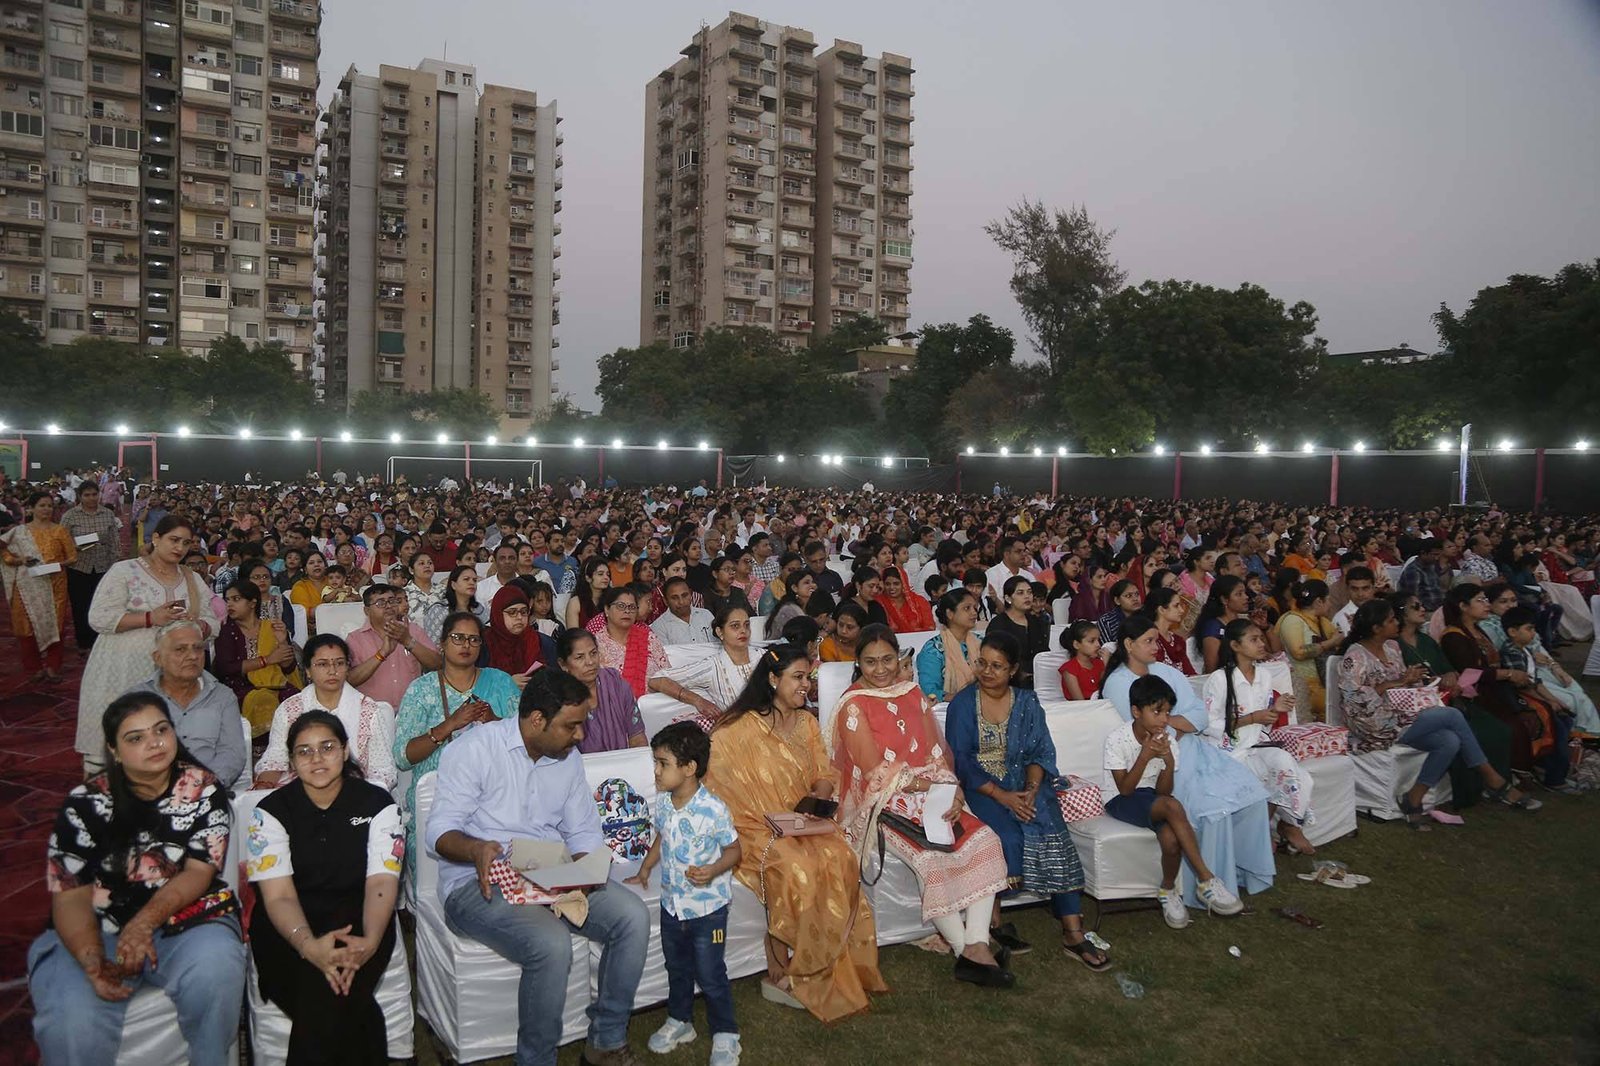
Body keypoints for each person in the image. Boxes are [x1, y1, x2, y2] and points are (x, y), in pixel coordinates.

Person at [428, 667, 649, 1066]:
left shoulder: (567, 759)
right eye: (571, 726)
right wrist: (476, 849)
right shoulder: (474, 750)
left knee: (631, 916)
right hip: (477, 881)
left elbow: (583, 833)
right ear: (536, 720)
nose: (580, 736)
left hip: (549, 869)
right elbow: (439, 832)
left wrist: (581, 871)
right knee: (551, 944)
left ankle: (605, 1041)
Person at [28, 692, 245, 1066]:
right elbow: (70, 896)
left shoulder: (202, 789)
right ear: (114, 751)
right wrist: (92, 960)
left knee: (216, 969)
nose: (154, 742)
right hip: (98, 928)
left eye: (161, 730)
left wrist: (144, 923)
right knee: (69, 1018)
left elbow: (199, 871)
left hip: (184, 921)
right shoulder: (85, 804)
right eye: (136, 737)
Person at [704, 643, 885, 1019]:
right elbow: (721, 793)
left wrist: (819, 794)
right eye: (798, 677)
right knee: (797, 866)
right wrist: (772, 821)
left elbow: (823, 772)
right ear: (773, 679)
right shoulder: (734, 730)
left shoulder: (807, 723)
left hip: (804, 822)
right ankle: (789, 967)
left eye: (809, 677)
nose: (806, 685)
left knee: (840, 856)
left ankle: (829, 961)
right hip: (754, 828)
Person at [833, 626, 1014, 987]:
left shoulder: (912, 693)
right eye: (870, 662)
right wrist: (933, 787)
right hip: (883, 802)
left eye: (887, 659)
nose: (880, 669)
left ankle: (976, 945)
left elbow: (936, 755)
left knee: (987, 841)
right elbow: (875, 774)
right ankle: (967, 951)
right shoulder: (853, 705)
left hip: (934, 791)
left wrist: (952, 789)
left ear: (899, 657)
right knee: (930, 859)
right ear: (858, 663)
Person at [247, 711, 404, 1065]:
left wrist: (370, 941)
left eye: (327, 747)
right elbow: (279, 896)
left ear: (345, 751)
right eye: (304, 751)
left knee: (326, 1005)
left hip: (362, 922)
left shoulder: (378, 805)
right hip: (286, 928)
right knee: (340, 1007)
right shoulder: (269, 813)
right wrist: (308, 947)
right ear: (291, 761)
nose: (316, 758)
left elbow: (381, 882)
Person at [945, 632, 1109, 970]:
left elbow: (1040, 751)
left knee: (1053, 832)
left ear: (1013, 670)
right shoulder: (963, 704)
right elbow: (961, 761)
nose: (987, 671)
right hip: (983, 787)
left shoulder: (1027, 702)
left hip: (1027, 782)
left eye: (997, 666)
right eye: (982, 663)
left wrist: (1033, 788)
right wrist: (1002, 796)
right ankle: (992, 921)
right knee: (1004, 837)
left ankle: (1073, 932)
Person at [1101, 615, 1274, 909]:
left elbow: (1200, 714)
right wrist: (1177, 725)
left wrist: (1172, 724)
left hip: (1193, 746)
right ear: (1129, 645)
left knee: (1253, 795)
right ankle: (1210, 882)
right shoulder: (1118, 683)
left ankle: (1244, 873)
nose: (1156, 647)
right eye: (1149, 641)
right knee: (1214, 808)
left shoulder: (1166, 671)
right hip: (1158, 759)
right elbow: (1147, 729)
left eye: (1156, 640)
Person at [1338, 600, 1540, 825]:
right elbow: (1353, 699)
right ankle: (1493, 780)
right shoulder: (1355, 656)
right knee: (1451, 715)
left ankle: (1413, 798)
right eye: (1391, 620)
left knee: (1449, 740)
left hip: (1403, 714)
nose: (1397, 623)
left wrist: (1413, 680)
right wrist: (1396, 683)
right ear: (1376, 628)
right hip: (1373, 723)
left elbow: (1403, 685)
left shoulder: (1392, 647)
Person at [625, 723, 743, 1066]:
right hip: (672, 907)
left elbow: (734, 851)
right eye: (656, 762)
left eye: (663, 763)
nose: (656, 771)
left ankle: (726, 1033)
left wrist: (713, 870)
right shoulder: (663, 803)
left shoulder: (713, 809)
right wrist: (646, 868)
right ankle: (680, 1021)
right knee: (676, 968)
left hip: (709, 913)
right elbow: (662, 837)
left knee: (710, 973)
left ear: (689, 767)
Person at [79, 516, 220, 772]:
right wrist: (149, 618)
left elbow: (213, 622)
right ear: (156, 538)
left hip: (173, 673)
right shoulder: (125, 571)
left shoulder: (191, 579)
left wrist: (197, 626)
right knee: (116, 738)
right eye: (173, 540)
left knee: (162, 743)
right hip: (122, 669)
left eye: (186, 543)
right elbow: (98, 617)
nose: (179, 548)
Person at [1102, 675, 1245, 927]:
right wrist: (1145, 756)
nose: (1164, 719)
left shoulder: (1168, 741)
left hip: (1152, 799)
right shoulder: (1117, 739)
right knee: (1172, 806)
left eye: (1167, 712)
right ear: (1136, 711)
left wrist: (1168, 763)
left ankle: (1167, 891)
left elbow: (1164, 791)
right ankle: (1206, 879)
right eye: (1157, 712)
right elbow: (1124, 789)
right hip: (1119, 799)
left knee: (1170, 840)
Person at [392, 612, 523, 869]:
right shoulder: (421, 690)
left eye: (474, 639)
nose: (466, 645)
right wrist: (449, 725)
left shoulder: (500, 683)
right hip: (436, 800)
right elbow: (403, 757)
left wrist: (494, 722)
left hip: (496, 800)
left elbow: (525, 746)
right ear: (442, 643)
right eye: (458, 638)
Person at [1438, 583, 1571, 791]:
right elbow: (1469, 673)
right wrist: (1508, 674)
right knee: (1523, 721)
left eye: (1485, 599)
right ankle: (1527, 774)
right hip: (1478, 695)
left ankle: (1548, 770)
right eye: (1480, 600)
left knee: (1551, 713)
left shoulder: (1478, 630)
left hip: (1498, 688)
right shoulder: (1453, 636)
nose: (1486, 604)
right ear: (1463, 606)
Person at [1202, 619, 1316, 854]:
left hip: (1257, 745)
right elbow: (1209, 725)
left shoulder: (1264, 675)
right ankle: (1270, 830)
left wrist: (1276, 710)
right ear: (1235, 645)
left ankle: (1286, 825)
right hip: (1227, 752)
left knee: (1292, 770)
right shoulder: (1220, 679)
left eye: (1261, 638)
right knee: (1280, 772)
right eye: (1254, 639)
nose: (1262, 644)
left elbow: (1265, 722)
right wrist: (1253, 717)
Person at [253, 633, 399, 790]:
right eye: (323, 664)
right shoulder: (290, 709)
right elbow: (275, 758)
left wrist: (361, 796)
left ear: (347, 667)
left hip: (355, 791)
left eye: (339, 663)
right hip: (301, 789)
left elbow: (383, 770)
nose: (332, 670)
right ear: (308, 670)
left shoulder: (368, 710)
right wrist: (264, 787)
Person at [121, 620, 249, 789]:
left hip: (207, 791)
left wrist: (202, 785)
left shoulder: (222, 697)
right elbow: (127, 755)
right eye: (180, 649)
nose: (193, 656)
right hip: (152, 792)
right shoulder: (136, 699)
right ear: (158, 658)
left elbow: (232, 754)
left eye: (198, 648)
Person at [1, 490, 78, 682]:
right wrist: (20, 560)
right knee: (25, 626)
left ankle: (53, 667)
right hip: (26, 584)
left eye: (50, 506)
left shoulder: (60, 531)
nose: (46, 509)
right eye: (42, 505)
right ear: (31, 508)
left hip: (54, 584)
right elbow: (5, 553)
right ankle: (34, 667)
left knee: (55, 624)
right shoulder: (19, 532)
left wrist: (56, 566)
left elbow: (72, 557)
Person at [212, 580, 300, 736]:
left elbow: (289, 667)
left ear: (252, 603)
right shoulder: (226, 632)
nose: (229, 604)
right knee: (263, 700)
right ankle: (263, 748)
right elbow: (225, 669)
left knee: (296, 700)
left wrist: (282, 641)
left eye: (236, 599)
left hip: (276, 685)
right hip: (240, 688)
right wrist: (266, 660)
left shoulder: (271, 627)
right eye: (227, 600)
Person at [344, 583, 444, 711]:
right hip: (372, 713)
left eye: (392, 601)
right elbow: (349, 680)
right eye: (381, 603)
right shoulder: (355, 639)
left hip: (413, 711)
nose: (388, 606)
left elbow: (437, 664)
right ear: (367, 611)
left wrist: (408, 641)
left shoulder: (413, 631)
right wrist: (381, 654)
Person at [553, 626, 650, 752]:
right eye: (580, 657)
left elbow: (637, 737)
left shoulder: (616, 685)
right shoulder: (557, 698)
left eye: (593, 653)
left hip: (621, 761)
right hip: (579, 764)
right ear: (563, 664)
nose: (590, 662)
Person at [655, 602, 760, 718]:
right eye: (735, 626)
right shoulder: (712, 666)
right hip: (738, 726)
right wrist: (697, 700)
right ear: (720, 632)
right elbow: (657, 679)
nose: (743, 630)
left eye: (747, 625)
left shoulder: (764, 657)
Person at [61, 480, 123, 653]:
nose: (91, 498)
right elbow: (61, 541)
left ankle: (99, 641)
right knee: (80, 605)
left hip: (103, 566)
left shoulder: (107, 514)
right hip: (79, 566)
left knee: (102, 605)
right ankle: (83, 642)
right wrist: (74, 546)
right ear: (80, 496)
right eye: (87, 495)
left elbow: (114, 541)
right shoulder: (70, 515)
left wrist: (115, 566)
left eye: (94, 494)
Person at [1276, 579, 1339, 722]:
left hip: (1325, 685)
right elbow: (1298, 653)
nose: (1330, 604)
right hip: (1304, 688)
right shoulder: (1293, 620)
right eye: (1328, 600)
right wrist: (1331, 643)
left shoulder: (1323, 621)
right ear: (1319, 602)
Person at [914, 588, 982, 703]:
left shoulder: (981, 643)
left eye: (975, 608)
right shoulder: (934, 649)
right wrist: (963, 699)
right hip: (948, 708)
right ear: (950, 614)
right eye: (967, 608)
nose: (974, 612)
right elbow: (930, 691)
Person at [986, 575, 1051, 689]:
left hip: (1038, 679)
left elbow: (1043, 651)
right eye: (1020, 593)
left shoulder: (1037, 621)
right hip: (1009, 681)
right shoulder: (999, 624)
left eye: (1029, 592)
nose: (1027, 596)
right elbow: (995, 656)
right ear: (1008, 598)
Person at [485, 584, 554, 684]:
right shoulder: (484, 644)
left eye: (524, 612)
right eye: (512, 612)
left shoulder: (541, 642)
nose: (519, 617)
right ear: (498, 614)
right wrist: (507, 683)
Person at [1195, 575, 1249, 673]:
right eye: (1239, 594)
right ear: (1224, 600)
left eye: (1245, 593)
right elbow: (1211, 671)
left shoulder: (1246, 620)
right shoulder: (1213, 628)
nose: (1246, 597)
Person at [1145, 585, 1196, 676]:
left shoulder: (1178, 640)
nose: (1181, 610)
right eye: (1176, 606)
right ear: (1161, 610)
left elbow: (1190, 673)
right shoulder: (1149, 640)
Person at [650, 575, 715, 645]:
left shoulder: (706, 615)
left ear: (691, 594)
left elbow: (718, 645)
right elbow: (664, 651)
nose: (681, 602)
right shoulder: (659, 626)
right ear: (665, 601)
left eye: (684, 595)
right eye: (674, 598)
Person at [873, 566, 933, 634]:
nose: (891, 587)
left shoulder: (919, 601)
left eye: (896, 584)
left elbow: (930, 627)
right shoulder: (878, 603)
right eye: (887, 584)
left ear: (904, 583)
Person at [1058, 620, 1105, 700]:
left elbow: (1107, 691)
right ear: (1076, 645)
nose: (1098, 645)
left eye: (1098, 640)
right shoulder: (1070, 670)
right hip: (1083, 707)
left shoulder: (1099, 663)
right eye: (1092, 641)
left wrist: (1107, 662)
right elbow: (1080, 701)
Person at [566, 556, 611, 630]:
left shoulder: (612, 599)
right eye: (600, 574)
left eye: (608, 574)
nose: (606, 577)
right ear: (588, 578)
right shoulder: (576, 602)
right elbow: (573, 633)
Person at [289, 550, 331, 630]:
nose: (316, 565)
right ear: (305, 569)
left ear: (325, 566)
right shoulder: (300, 586)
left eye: (319, 562)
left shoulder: (333, 581)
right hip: (311, 629)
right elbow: (304, 613)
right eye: (311, 563)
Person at [1332, 565, 1378, 636]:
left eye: (1365, 588)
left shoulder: (1384, 610)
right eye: (1354, 589)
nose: (1360, 594)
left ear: (1374, 588)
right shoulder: (1341, 618)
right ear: (1347, 589)